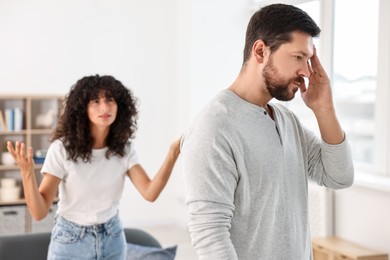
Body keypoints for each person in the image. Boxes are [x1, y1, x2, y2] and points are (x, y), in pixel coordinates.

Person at [180, 3, 354, 260]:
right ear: (260, 51)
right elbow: (210, 236)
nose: (306, 72)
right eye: (298, 57)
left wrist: (324, 109)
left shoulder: (285, 120)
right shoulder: (214, 127)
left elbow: (339, 177)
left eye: (308, 59)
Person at [7, 75, 181, 259]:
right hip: (71, 242)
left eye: (110, 100)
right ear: (83, 108)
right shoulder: (62, 149)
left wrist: (172, 154)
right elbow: (39, 212)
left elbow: (150, 192)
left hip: (113, 238)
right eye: (96, 101)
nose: (104, 107)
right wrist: (27, 173)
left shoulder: (124, 149)